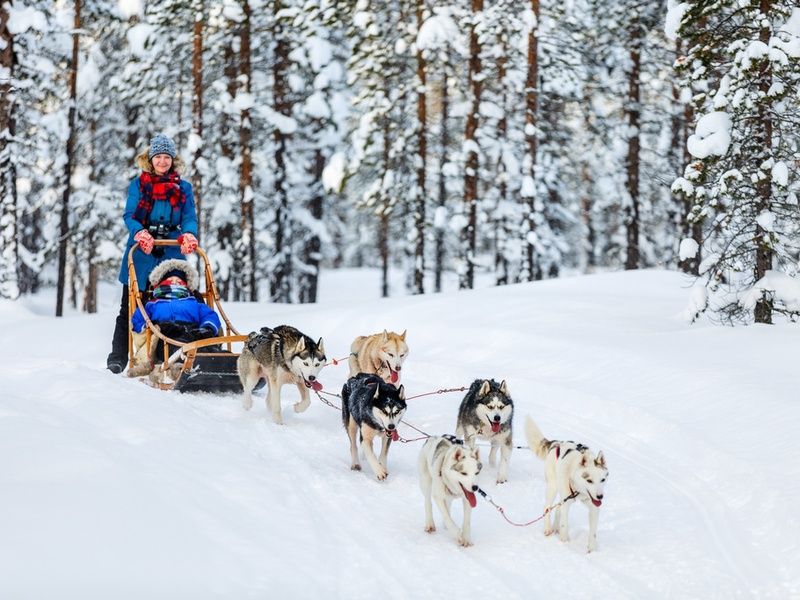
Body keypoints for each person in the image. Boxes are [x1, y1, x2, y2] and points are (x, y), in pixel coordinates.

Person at [106, 133, 199, 374]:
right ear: (150, 159)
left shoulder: (184, 188)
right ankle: (118, 358)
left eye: (167, 157)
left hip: (171, 250)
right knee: (130, 306)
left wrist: (189, 234)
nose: (162, 162)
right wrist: (140, 233)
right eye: (158, 157)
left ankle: (176, 352)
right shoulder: (139, 185)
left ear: (173, 159)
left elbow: (189, 217)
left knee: (175, 301)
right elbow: (130, 215)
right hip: (141, 253)